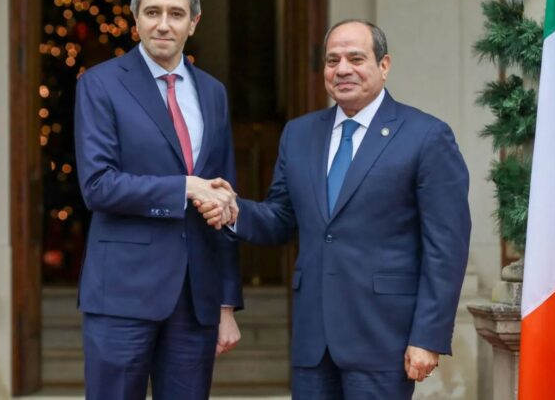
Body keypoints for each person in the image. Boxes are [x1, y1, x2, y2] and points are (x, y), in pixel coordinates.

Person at [197, 20, 471, 399]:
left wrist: (428, 337)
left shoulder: (426, 136)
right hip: (313, 340)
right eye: (332, 60)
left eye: (356, 58)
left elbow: (447, 248)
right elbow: (281, 218)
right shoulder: (299, 134)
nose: (342, 69)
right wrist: (232, 211)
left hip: (383, 340)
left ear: (384, 65)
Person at [74, 0, 243, 400]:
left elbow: (223, 200)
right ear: (135, 20)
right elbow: (98, 185)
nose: (163, 24)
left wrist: (226, 303)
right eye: (152, 12)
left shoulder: (213, 92)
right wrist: (184, 186)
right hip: (121, 296)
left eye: (175, 13)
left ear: (194, 22)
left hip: (196, 299)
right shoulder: (100, 84)